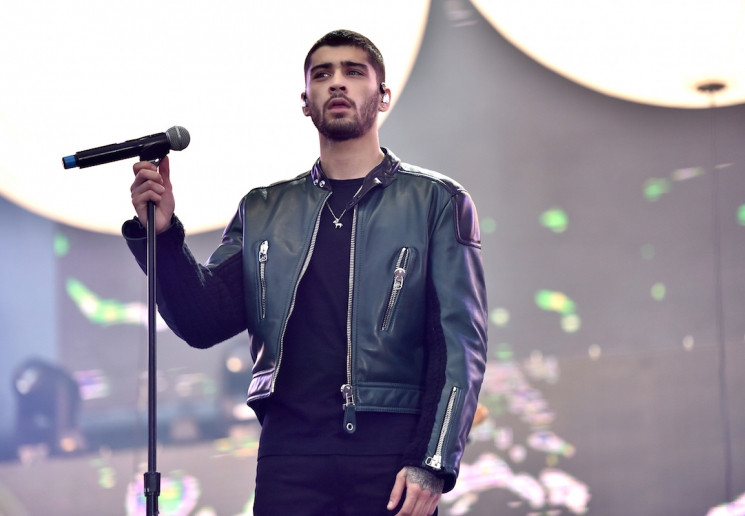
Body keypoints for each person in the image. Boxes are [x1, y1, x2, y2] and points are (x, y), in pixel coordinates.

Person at [124, 29, 487, 516]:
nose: (337, 83)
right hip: (289, 457)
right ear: (305, 101)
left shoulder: (437, 201)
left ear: (382, 97)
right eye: (323, 74)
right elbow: (203, 320)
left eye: (353, 72)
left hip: (391, 453)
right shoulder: (264, 209)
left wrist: (432, 460)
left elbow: (460, 344)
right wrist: (164, 236)